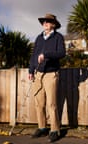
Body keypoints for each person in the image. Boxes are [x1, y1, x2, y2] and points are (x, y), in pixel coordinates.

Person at [28, 13, 66, 143]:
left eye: (48, 22)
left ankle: (55, 130)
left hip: (51, 74)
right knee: (39, 103)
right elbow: (33, 55)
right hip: (38, 74)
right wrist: (31, 70)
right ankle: (42, 127)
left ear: (53, 24)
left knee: (51, 103)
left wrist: (46, 55)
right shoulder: (39, 38)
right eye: (44, 21)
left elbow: (62, 53)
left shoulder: (58, 37)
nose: (45, 23)